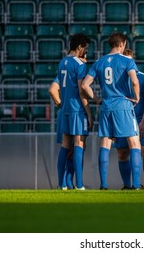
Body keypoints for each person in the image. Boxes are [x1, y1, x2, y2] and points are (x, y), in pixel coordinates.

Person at [81, 33, 142, 190]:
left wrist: (96, 99)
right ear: (122, 44)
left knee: (106, 144)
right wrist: (137, 97)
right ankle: (136, 184)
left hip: (107, 106)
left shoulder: (99, 62)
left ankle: (103, 184)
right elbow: (135, 81)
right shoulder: (127, 61)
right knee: (134, 144)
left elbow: (84, 85)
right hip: (123, 105)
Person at [55, 33, 93, 191]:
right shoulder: (80, 64)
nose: (86, 51)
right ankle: (80, 185)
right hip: (77, 109)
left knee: (65, 145)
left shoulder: (62, 62)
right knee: (79, 143)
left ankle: (61, 184)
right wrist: (89, 112)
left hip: (65, 109)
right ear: (80, 47)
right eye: (86, 48)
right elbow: (81, 89)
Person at [113, 49, 144, 189]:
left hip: (138, 121)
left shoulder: (142, 78)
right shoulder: (116, 79)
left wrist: (143, 122)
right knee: (122, 153)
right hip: (120, 120)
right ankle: (127, 185)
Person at [49, 80, 75, 190]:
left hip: (66, 112)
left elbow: (52, 89)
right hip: (73, 112)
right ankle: (65, 182)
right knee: (72, 146)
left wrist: (62, 104)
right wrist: (61, 104)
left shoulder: (65, 68)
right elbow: (52, 89)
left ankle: (65, 183)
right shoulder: (75, 68)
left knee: (70, 147)